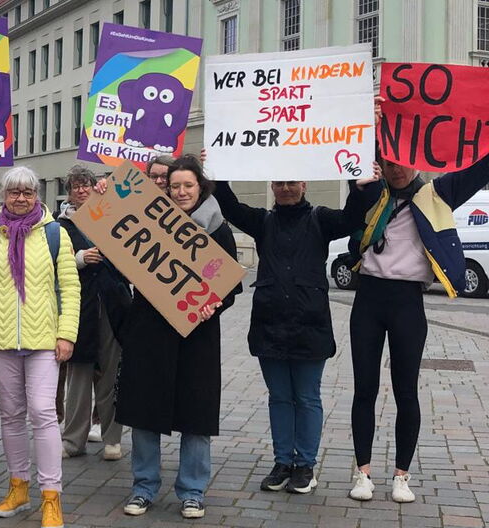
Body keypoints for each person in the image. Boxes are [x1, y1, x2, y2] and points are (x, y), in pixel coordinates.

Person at [347, 97, 489, 503]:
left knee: (406, 390)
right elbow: (353, 154)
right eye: (387, 161)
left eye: (401, 161)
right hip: (369, 299)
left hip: (408, 301)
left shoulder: (437, 194)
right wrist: (371, 121)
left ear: (416, 159)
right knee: (364, 390)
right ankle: (363, 472)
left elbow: (481, 167)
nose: (394, 168)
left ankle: (402, 476)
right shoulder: (369, 192)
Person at [213, 156, 381, 495]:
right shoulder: (262, 221)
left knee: (306, 398)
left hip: (309, 325)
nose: (286, 188)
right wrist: (217, 169)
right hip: (270, 323)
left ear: (304, 185)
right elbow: (229, 206)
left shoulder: (321, 219)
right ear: (272, 187)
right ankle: (282, 463)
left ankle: (305, 465)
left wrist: (360, 184)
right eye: (280, 183)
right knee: (279, 397)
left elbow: (353, 217)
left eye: (293, 182)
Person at [111, 154, 242, 519]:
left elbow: (230, 286)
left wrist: (213, 304)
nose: (181, 192)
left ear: (201, 187)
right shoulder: (147, 219)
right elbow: (111, 225)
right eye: (174, 185)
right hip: (149, 330)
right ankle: (143, 486)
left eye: (188, 185)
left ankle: (192, 490)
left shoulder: (217, 228)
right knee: (144, 409)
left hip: (196, 334)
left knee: (196, 413)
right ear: (165, 188)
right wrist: (105, 193)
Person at [0, 166, 80, 528]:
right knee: (11, 417)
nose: (20, 198)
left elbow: (70, 288)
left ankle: (51, 496)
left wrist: (66, 335)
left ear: (37, 196)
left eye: (27, 192)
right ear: (4, 196)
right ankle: (18, 486)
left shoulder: (55, 234)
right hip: (0, 341)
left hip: (44, 340)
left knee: (44, 412)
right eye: (14, 192)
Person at [55, 165, 126, 461]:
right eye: (76, 186)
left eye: (86, 185)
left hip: (112, 303)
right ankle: (73, 440)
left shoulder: (111, 214)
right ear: (69, 191)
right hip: (79, 306)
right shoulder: (60, 227)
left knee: (111, 373)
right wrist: (80, 259)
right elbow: (52, 263)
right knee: (79, 375)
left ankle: (112, 438)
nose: (81, 190)